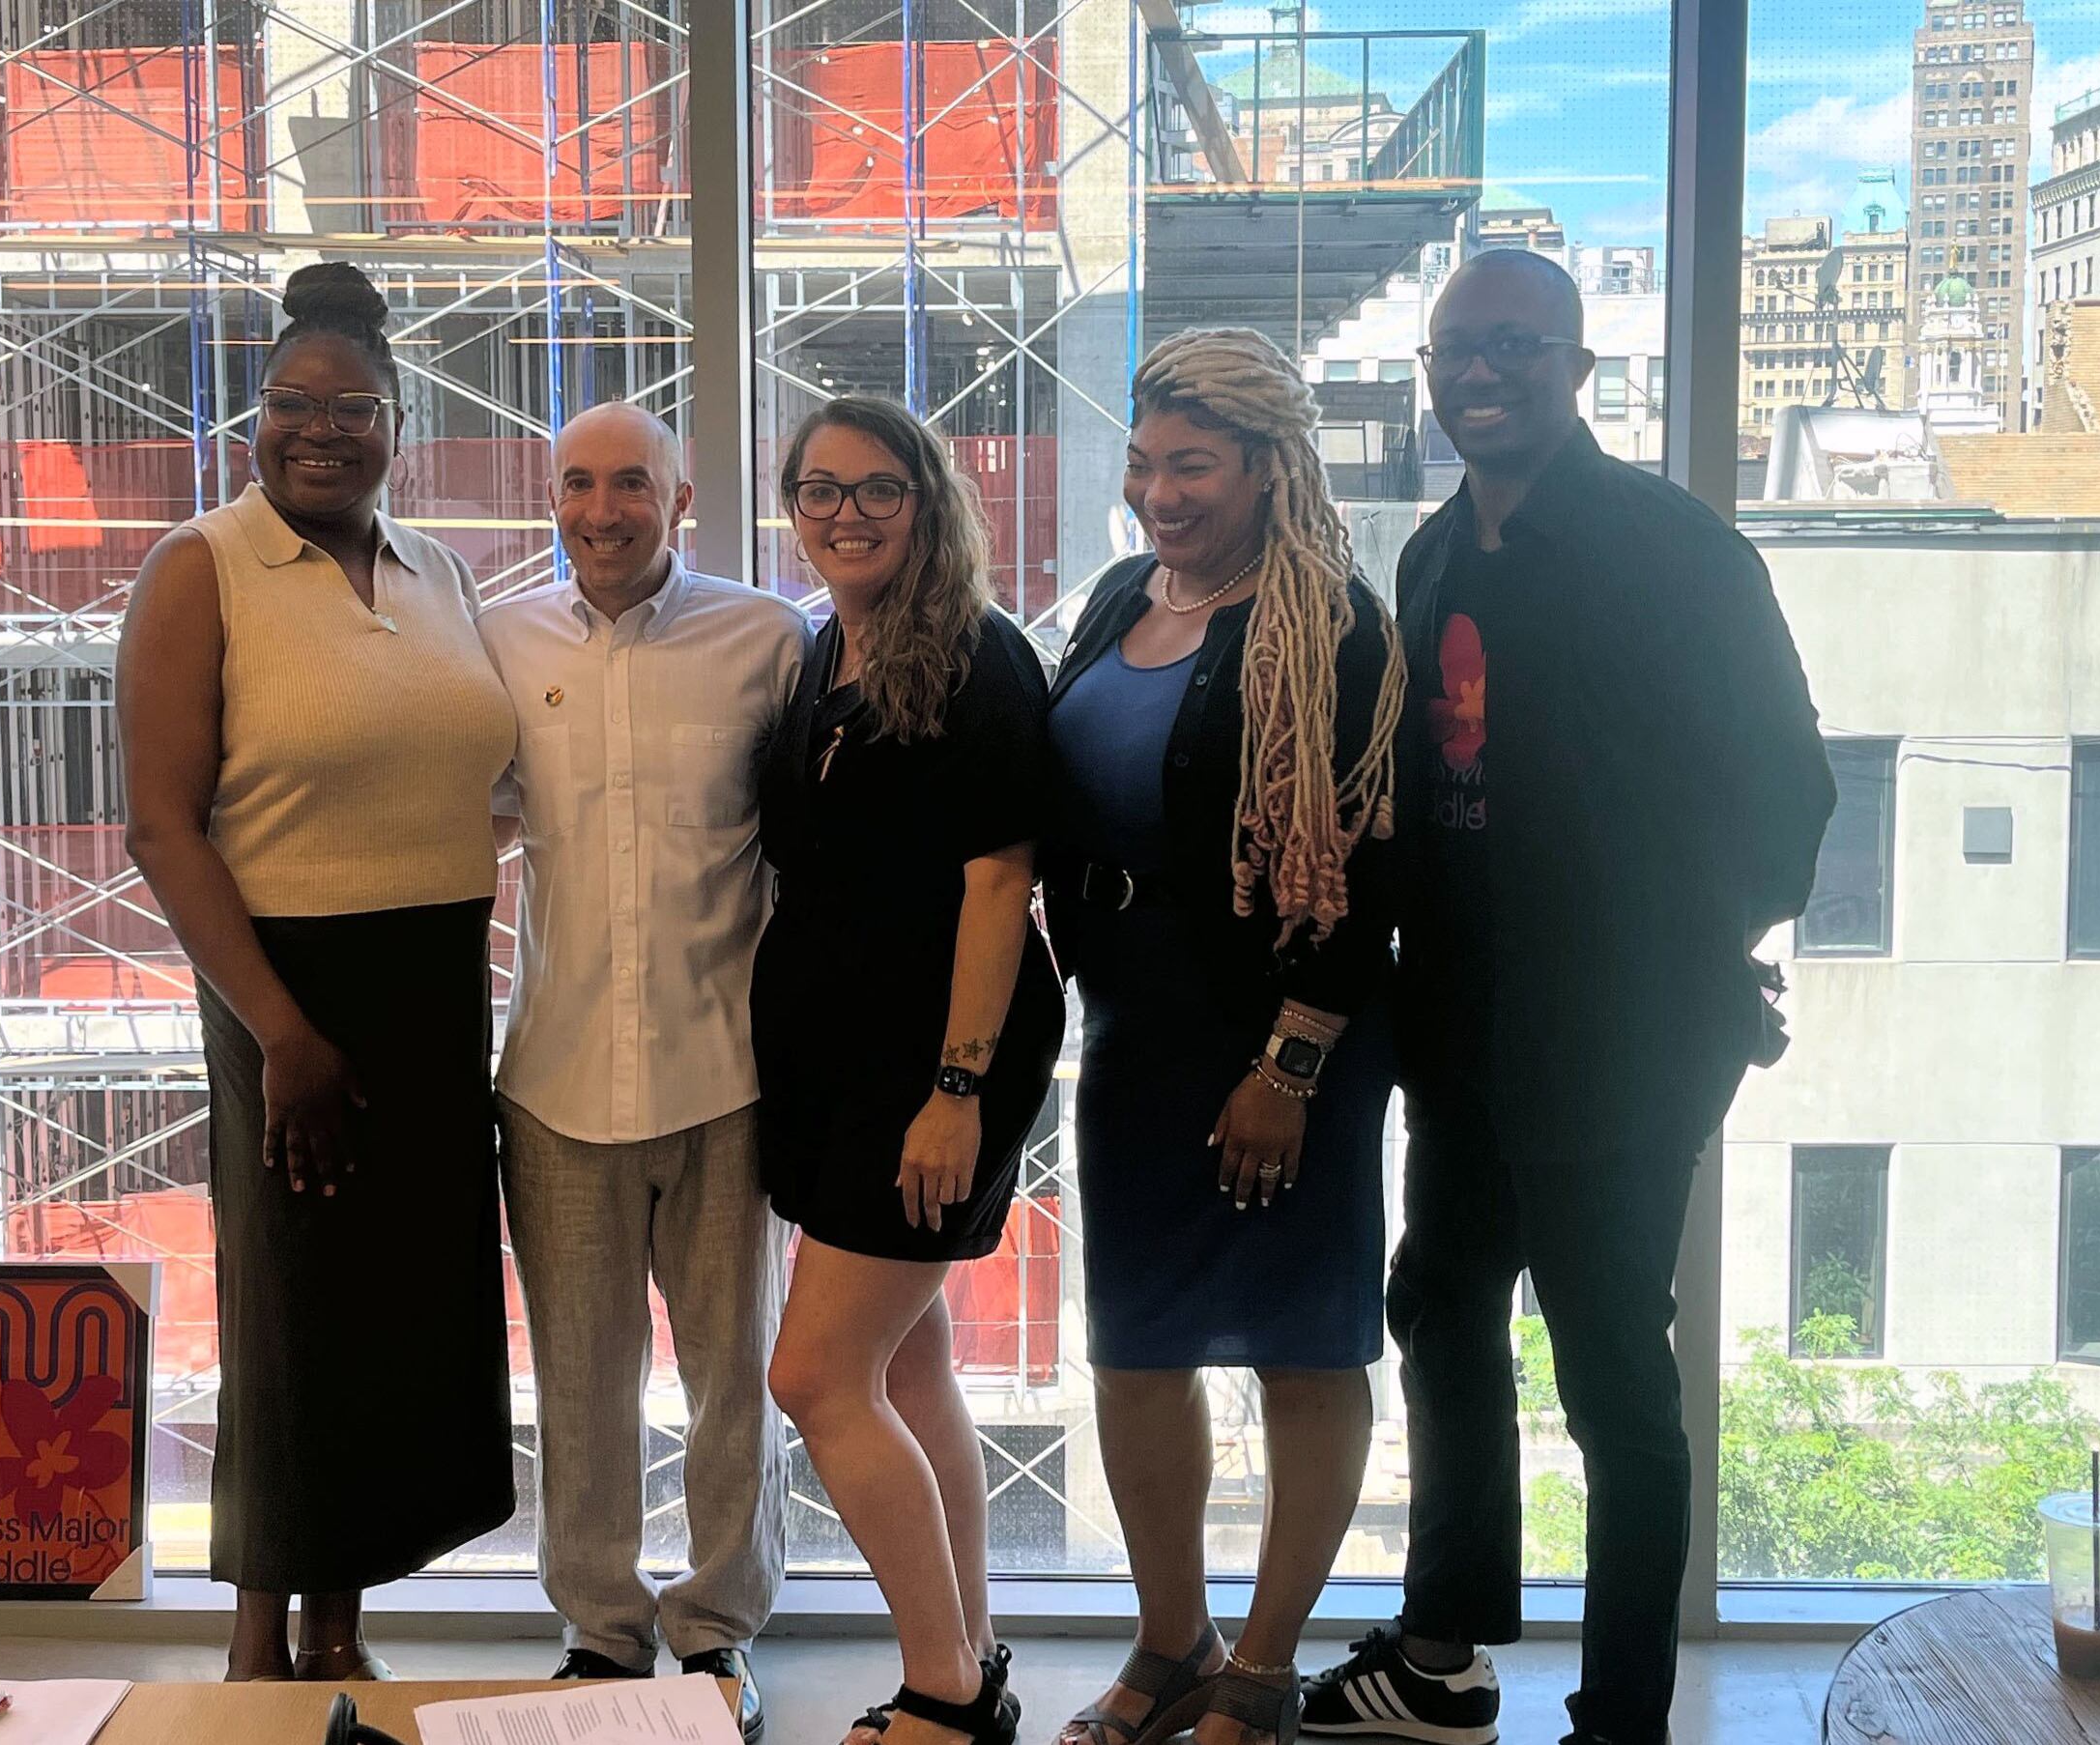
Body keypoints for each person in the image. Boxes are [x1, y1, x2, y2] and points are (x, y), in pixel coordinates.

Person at [1301, 251, 1834, 1745]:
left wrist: (1686, 963)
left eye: (1516, 345)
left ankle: (1622, 1719)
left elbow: (1788, 790)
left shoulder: (1675, 550)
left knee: (1610, 1373)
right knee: (1442, 1301)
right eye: (1456, 349)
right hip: (1463, 1029)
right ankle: (1446, 1659)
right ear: (1428, 374)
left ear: (1578, 368)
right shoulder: (1430, 559)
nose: (1481, 372)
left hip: (1617, 1043)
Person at [117, 263, 518, 1682]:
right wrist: (280, 1030)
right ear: (254, 419)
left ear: (398, 424)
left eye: (353, 408)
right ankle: (253, 1640)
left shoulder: (440, 570)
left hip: (432, 981)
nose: (321, 430)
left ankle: (342, 1629)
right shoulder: (202, 565)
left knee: (402, 1309)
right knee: (289, 1306)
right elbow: (161, 824)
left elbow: (476, 773)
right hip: (283, 987)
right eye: (293, 403)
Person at [1041, 328, 1406, 1745]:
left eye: (1190, 463)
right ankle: (1169, 1639)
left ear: (1266, 467)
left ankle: (1259, 1663)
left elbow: (1365, 879)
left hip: (1280, 1044)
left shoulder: (1331, 626)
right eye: (1142, 462)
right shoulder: (1126, 594)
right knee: (1136, 1347)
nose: (1157, 492)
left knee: (1304, 1349)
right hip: (1134, 1030)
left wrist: (1290, 1062)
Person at [478, 402, 809, 1743]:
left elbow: (815, 850)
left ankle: (720, 1627)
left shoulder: (767, 640)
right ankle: (600, 1632)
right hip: (556, 1073)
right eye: (576, 484)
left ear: (681, 502)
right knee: (579, 1371)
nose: (600, 509)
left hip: (726, 1068)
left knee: (736, 1370)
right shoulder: (499, 641)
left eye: (630, 484)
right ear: (549, 500)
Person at [754, 397, 1064, 1745]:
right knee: (909, 1363)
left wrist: (955, 1089)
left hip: (927, 1061)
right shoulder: (827, 648)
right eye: (820, 490)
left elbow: (1000, 879)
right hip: (834, 1054)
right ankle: (973, 1654)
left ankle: (940, 1690)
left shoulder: (977, 656)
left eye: (877, 489)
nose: (845, 513)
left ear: (926, 501)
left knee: (816, 1379)